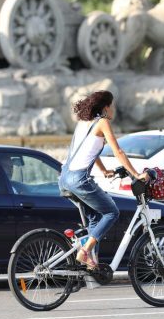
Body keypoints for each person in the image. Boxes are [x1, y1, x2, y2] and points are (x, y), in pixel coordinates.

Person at [59, 90, 148, 269]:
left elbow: (87, 150)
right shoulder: (103, 123)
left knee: (95, 218)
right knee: (111, 213)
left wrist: (104, 170)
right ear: (106, 107)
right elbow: (118, 152)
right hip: (79, 180)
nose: (113, 109)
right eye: (112, 105)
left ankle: (93, 264)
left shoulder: (83, 122)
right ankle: (84, 252)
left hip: (65, 178)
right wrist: (136, 175)